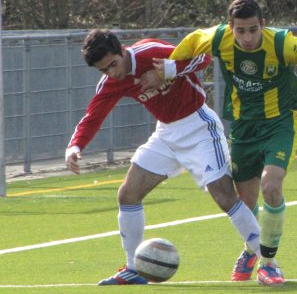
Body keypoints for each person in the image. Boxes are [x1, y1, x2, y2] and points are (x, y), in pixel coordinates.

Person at [139, 0, 297, 286]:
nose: (248, 37)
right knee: (246, 201)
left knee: (271, 186)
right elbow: (191, 42)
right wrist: (169, 68)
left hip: (280, 123)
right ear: (231, 28)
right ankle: (249, 250)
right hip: (243, 126)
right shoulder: (218, 38)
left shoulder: (283, 44)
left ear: (262, 25)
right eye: (241, 30)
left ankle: (268, 262)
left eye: (253, 30)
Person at [65, 29, 261, 285]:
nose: (112, 73)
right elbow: (94, 115)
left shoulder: (149, 52)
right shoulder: (112, 82)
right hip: (167, 134)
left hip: (199, 126)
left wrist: (167, 70)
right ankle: (134, 269)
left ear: (122, 50)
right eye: (104, 70)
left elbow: (201, 58)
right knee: (128, 194)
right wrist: (75, 146)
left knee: (224, 196)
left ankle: (267, 262)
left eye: (113, 64)